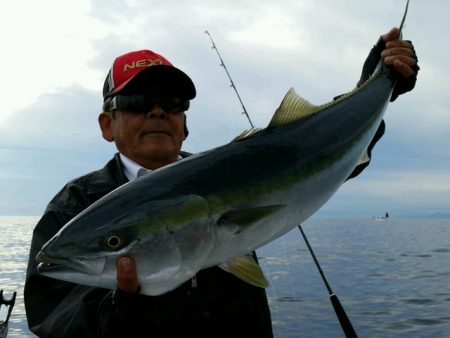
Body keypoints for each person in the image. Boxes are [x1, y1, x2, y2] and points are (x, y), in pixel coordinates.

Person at [25, 27, 419, 338]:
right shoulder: (73, 208)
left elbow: (314, 159)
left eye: (173, 102)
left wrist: (375, 84)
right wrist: (128, 312)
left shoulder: (236, 168)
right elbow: (54, 319)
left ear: (185, 122)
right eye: (137, 101)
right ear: (107, 125)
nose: (158, 110)